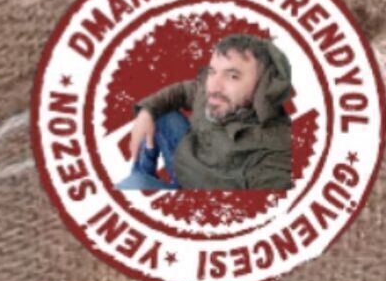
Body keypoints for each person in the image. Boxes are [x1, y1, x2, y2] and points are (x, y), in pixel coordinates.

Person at [116, 33, 294, 192]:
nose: (213, 86)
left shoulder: (274, 153)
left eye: (233, 76)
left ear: (264, 86)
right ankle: (143, 171)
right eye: (212, 72)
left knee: (128, 188)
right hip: (184, 158)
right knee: (162, 113)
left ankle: (142, 181)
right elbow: (182, 91)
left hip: (196, 198)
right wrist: (146, 113)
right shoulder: (211, 92)